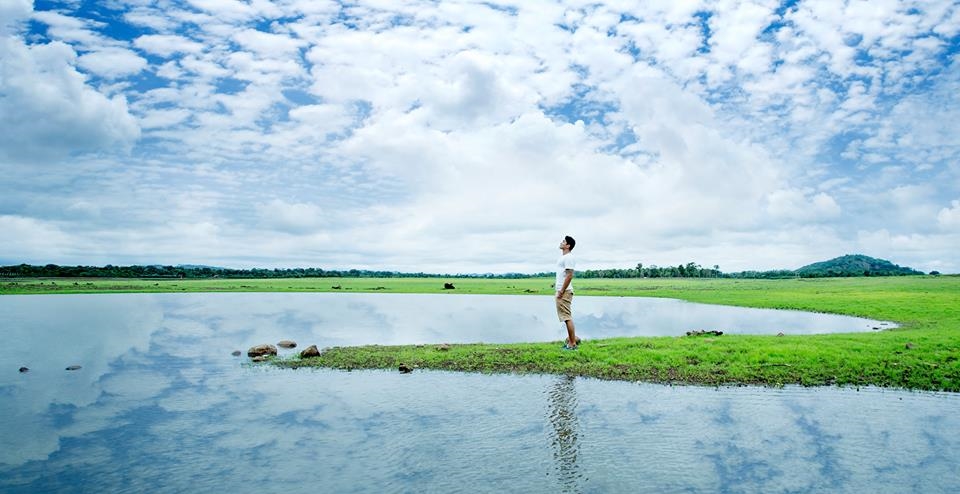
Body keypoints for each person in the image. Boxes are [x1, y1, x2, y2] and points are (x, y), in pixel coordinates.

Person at [556, 235, 579, 350]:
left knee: (567, 317)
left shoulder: (569, 257)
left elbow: (570, 275)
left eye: (564, 241)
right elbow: (563, 275)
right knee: (566, 317)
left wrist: (561, 291)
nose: (561, 242)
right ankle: (572, 339)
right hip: (562, 290)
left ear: (568, 245)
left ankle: (572, 344)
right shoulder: (563, 257)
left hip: (564, 292)